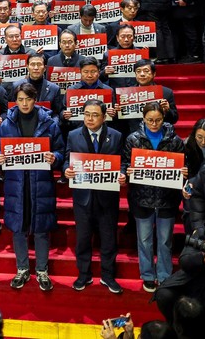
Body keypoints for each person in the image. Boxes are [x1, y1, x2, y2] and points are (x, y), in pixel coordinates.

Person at [0, 82, 65, 292]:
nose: (24, 104)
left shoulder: (49, 123)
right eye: (20, 99)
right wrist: (0, 157)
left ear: (35, 100)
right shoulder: (6, 124)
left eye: (28, 99)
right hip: (16, 183)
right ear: (15, 101)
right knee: (18, 227)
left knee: (42, 229)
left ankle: (42, 270)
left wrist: (55, 157)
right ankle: (22, 269)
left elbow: (61, 151)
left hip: (40, 182)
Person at [124, 103, 187, 292]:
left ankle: (165, 275)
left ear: (164, 119)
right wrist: (127, 171)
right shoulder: (132, 139)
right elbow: (126, 163)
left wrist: (184, 171)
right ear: (143, 118)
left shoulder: (175, 141)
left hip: (167, 197)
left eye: (158, 120)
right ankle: (148, 275)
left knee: (165, 239)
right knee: (144, 240)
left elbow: (183, 164)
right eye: (150, 120)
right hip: (141, 197)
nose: (154, 123)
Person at [65, 99, 125, 293]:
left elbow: (122, 162)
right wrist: (66, 170)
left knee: (108, 239)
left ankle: (108, 276)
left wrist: (123, 173)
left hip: (107, 197)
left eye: (95, 115)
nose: (90, 119)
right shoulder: (73, 135)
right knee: (82, 238)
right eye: (86, 115)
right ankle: (84, 275)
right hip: (83, 197)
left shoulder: (116, 136)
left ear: (104, 116)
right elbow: (67, 160)